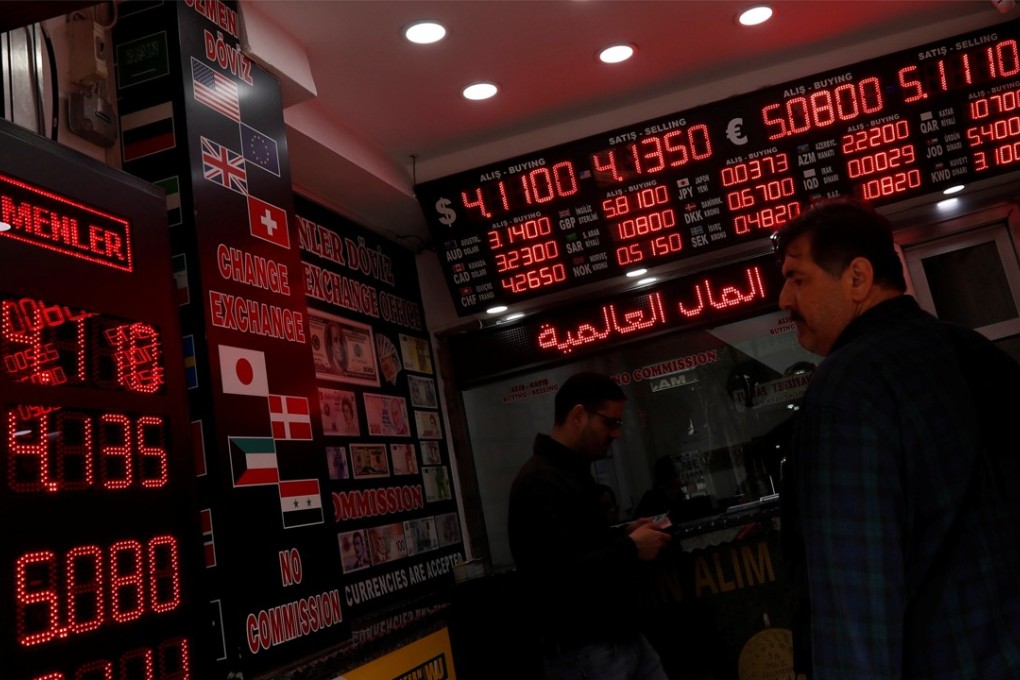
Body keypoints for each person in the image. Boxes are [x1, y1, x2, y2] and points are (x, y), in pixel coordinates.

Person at [773, 196, 1020, 679]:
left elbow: (856, 602)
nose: (784, 300)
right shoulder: (975, 350)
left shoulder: (847, 390)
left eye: (797, 279)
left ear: (857, 278)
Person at [507, 371, 672, 680]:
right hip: (585, 651)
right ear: (578, 416)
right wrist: (631, 548)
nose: (616, 434)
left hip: (619, 638)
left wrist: (624, 535)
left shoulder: (571, 472)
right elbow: (554, 575)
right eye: (610, 423)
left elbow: (580, 544)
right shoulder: (540, 482)